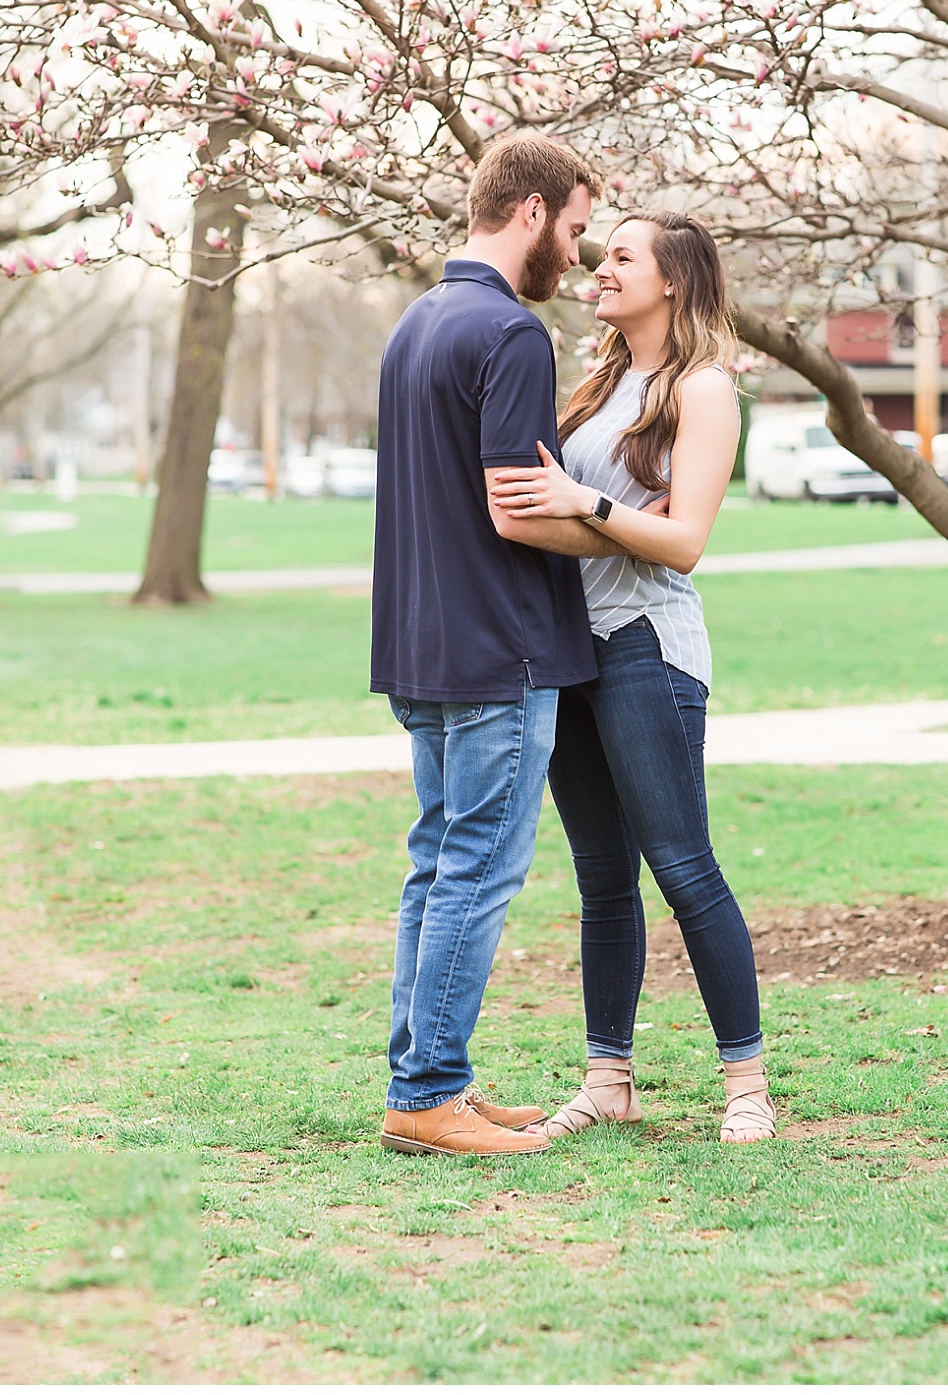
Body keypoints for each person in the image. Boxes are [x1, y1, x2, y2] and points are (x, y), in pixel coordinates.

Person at [491, 211, 774, 1145]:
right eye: (601, 250)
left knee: (684, 867)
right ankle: (608, 1079)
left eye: (621, 257)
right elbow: (557, 521)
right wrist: (589, 512)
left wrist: (587, 501)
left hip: (646, 644)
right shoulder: (600, 383)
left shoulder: (704, 390)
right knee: (602, 880)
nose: (598, 266)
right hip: (572, 649)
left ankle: (746, 1088)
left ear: (673, 283)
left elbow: (684, 542)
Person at [371, 132, 622, 1157]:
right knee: (476, 868)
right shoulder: (512, 335)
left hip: (423, 646)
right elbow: (520, 510)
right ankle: (426, 1092)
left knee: (438, 866)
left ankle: (435, 1078)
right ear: (530, 214)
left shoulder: (415, 325)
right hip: (501, 649)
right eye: (571, 228)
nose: (577, 252)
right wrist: (629, 527)